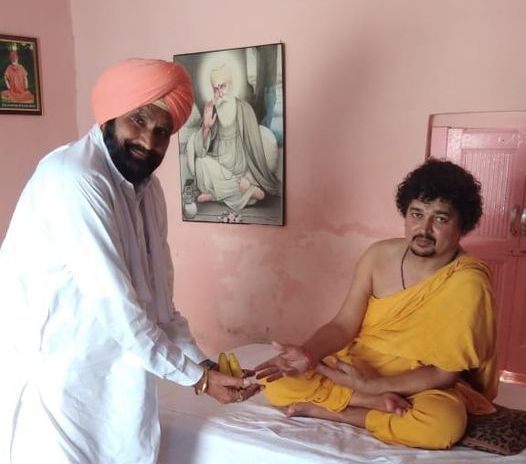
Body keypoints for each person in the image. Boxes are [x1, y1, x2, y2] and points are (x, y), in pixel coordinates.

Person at [0, 58, 261, 464]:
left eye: (162, 131)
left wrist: (203, 363)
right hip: (58, 386)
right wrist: (199, 380)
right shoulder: (75, 179)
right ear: (110, 115)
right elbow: (119, 311)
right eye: (138, 120)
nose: (148, 140)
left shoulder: (148, 191)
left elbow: (159, 306)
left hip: (115, 383)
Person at [256, 159, 497, 450]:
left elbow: (443, 373)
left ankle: (343, 413)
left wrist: (372, 386)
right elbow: (343, 325)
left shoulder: (468, 282)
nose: (424, 229)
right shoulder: (378, 255)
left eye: (441, 219)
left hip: (420, 383)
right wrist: (308, 354)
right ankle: (374, 404)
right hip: (361, 365)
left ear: (462, 226)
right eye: (416, 214)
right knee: (274, 382)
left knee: (442, 424)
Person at [186, 62, 281, 211]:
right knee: (200, 162)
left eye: (223, 86)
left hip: (240, 166)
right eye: (216, 89)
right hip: (219, 166)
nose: (220, 93)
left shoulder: (245, 109)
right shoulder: (213, 111)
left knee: (234, 178)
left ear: (231, 85)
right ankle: (241, 191)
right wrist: (206, 127)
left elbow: (254, 149)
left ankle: (218, 193)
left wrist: (251, 175)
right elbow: (200, 152)